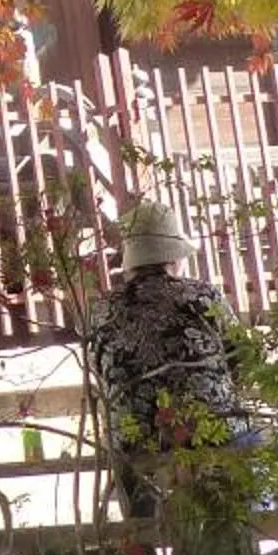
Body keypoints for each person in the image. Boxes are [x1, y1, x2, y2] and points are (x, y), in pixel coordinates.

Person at [95, 198, 244, 524]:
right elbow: (241, 359)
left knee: (123, 440)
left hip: (137, 445)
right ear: (175, 258)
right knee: (248, 439)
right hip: (211, 433)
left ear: (131, 262)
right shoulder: (204, 297)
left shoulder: (103, 309)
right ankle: (246, 524)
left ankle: (143, 550)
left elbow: (102, 376)